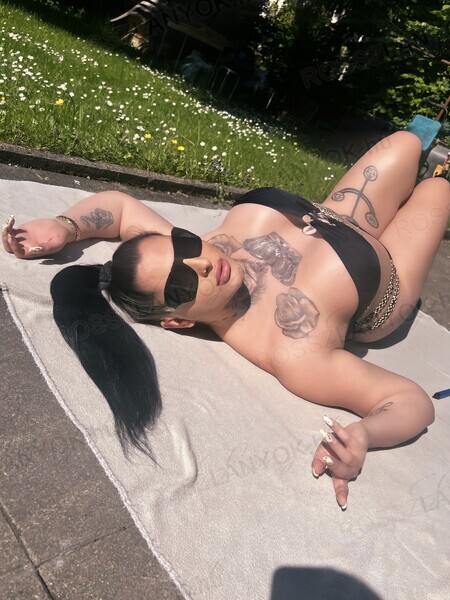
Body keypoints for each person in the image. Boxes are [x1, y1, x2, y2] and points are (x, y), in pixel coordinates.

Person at [3, 131, 449, 509]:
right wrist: (364, 435)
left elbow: (119, 208)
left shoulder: (207, 251)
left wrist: (65, 225)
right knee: (437, 192)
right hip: (385, 281)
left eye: (183, 245)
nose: (199, 263)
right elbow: (407, 399)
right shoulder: (291, 347)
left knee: (406, 142)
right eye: (181, 284)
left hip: (334, 217)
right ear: (178, 322)